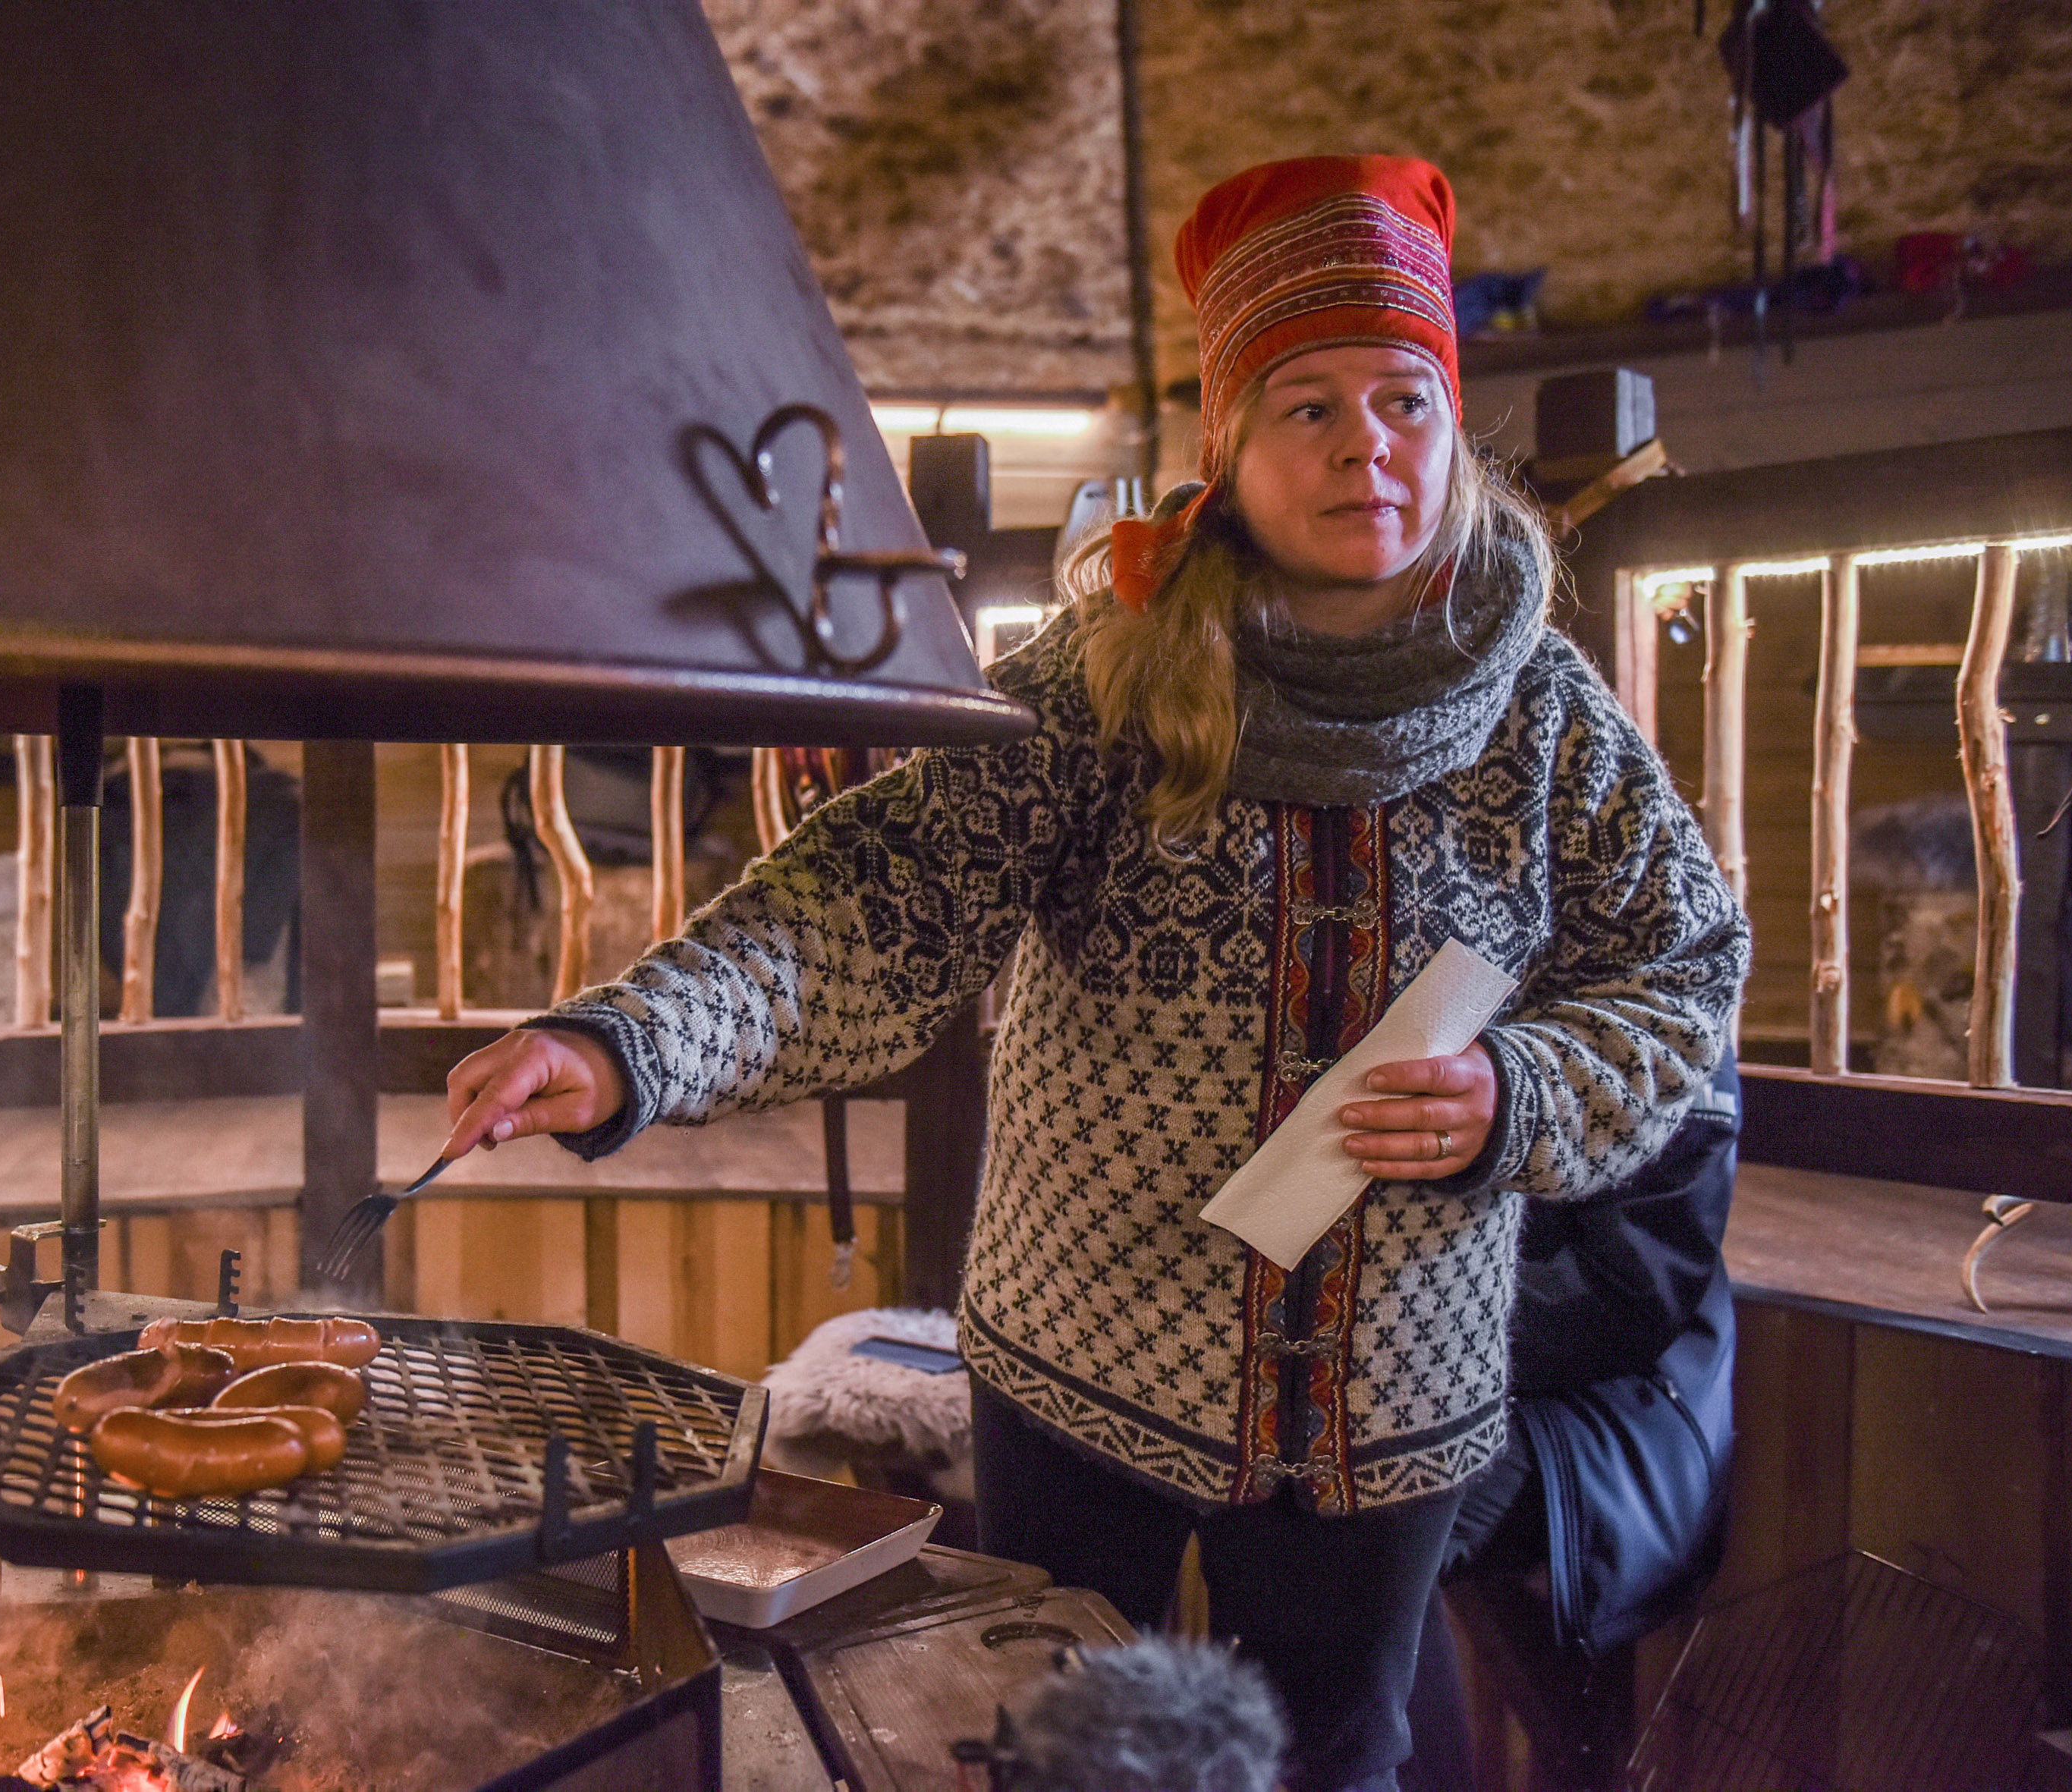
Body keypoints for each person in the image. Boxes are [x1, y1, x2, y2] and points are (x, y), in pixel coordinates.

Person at [440, 154, 1749, 1792]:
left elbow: (1682, 971)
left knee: (1332, 1759)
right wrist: (626, 1042)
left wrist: (1523, 1092)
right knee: (1053, 1754)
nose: (1367, 442)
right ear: (1225, 446)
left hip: (1390, 1405)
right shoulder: (1102, 688)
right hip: (1085, 1362)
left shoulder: (1546, 719)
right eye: (1307, 404)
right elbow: (869, 904)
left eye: (1406, 399)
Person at [1398, 1049, 1741, 1792]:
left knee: (1378, 1518)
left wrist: (1391, 1331)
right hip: (1448, 1369)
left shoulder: (1667, 989)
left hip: (1621, 1405)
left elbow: (1633, 1291)